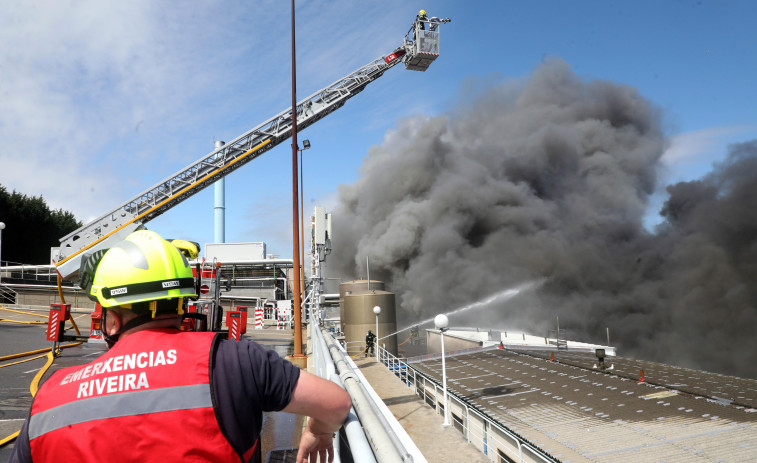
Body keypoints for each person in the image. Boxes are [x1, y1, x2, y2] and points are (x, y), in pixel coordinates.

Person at [10, 230, 351, 463]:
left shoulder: (50, 397)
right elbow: (335, 403)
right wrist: (318, 431)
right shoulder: (234, 361)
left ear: (111, 320)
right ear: (184, 302)